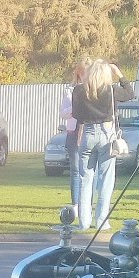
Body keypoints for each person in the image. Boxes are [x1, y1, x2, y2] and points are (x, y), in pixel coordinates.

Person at [70, 59, 134, 230]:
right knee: (106, 179)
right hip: (107, 134)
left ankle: (84, 222)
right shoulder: (111, 90)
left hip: (88, 132)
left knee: (85, 178)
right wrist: (119, 73)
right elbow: (129, 93)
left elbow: (76, 114)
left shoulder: (79, 90)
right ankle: (102, 221)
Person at [59, 61, 86, 209]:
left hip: (88, 130)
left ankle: (87, 203)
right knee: (75, 169)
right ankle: (75, 203)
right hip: (73, 132)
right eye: (82, 72)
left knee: (88, 170)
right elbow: (63, 113)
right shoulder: (69, 91)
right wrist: (75, 107)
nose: (84, 76)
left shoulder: (93, 90)